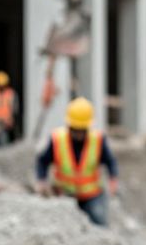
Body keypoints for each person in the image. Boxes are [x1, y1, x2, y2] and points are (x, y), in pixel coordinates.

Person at [35, 97, 120, 227]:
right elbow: (42, 161)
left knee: (99, 222)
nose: (79, 134)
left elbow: (110, 161)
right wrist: (41, 179)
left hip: (91, 195)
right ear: (69, 125)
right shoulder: (58, 139)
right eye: (75, 129)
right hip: (64, 194)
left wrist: (113, 179)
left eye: (82, 130)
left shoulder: (97, 140)